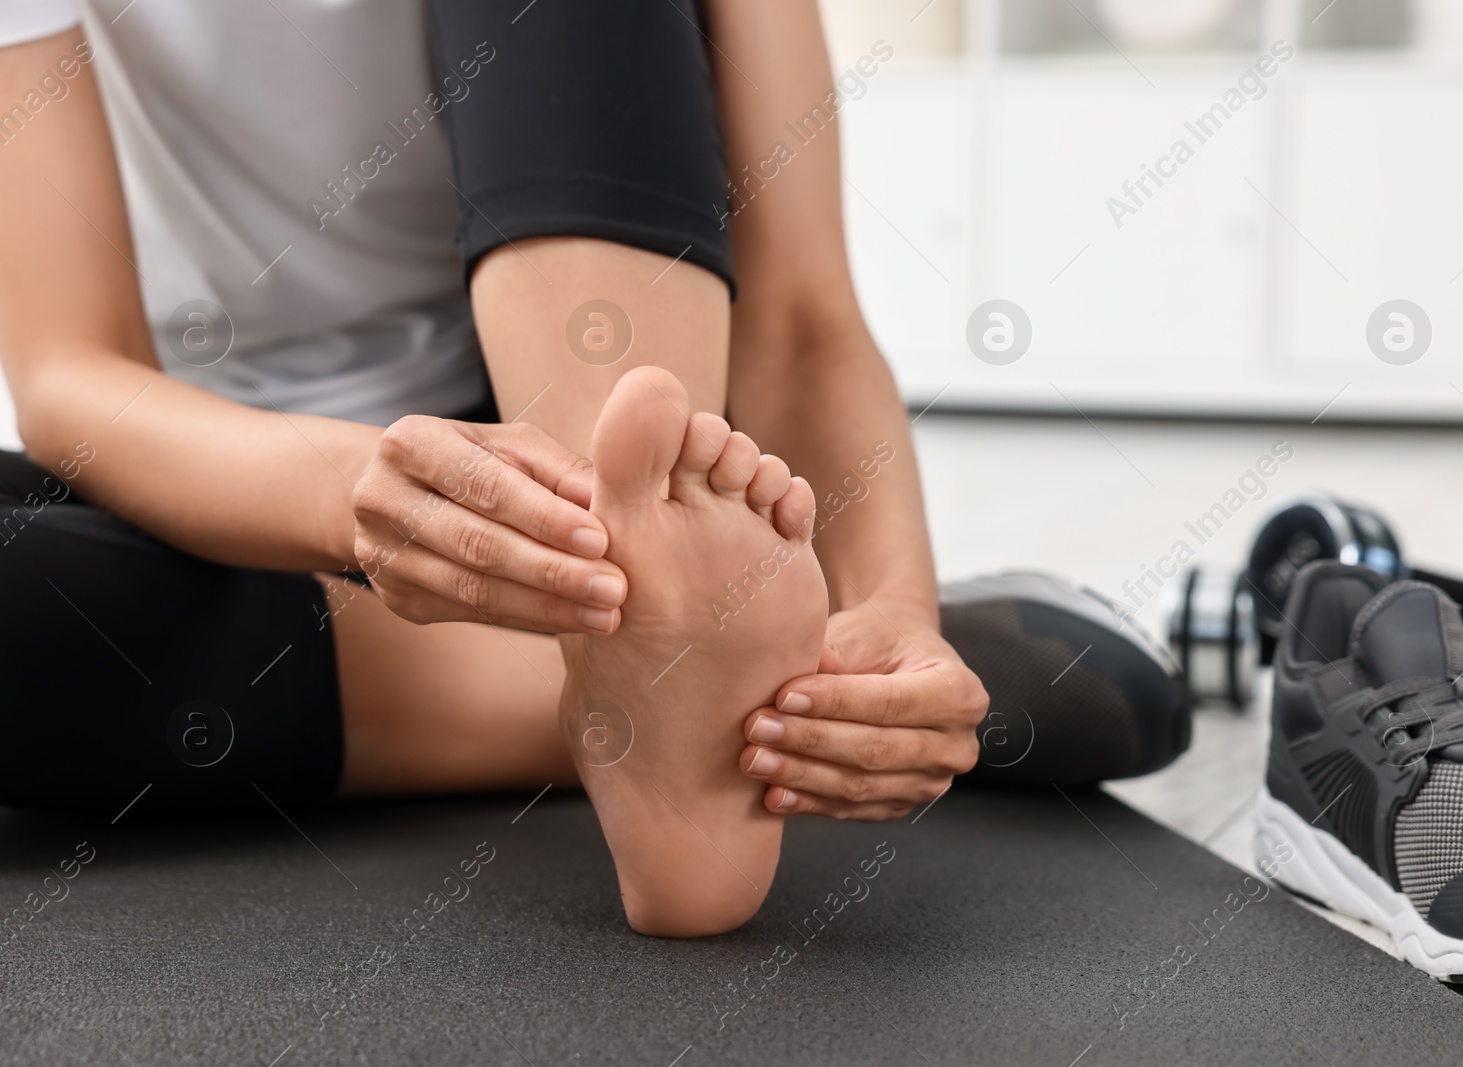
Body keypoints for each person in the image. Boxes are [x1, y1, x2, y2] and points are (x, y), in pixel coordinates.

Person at [0, 0, 1186, 936]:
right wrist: (347, 492)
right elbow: (70, 376)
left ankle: (642, 624)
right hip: (254, 489)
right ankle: (691, 691)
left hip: (591, 430)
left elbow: (801, 312)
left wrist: (898, 606)